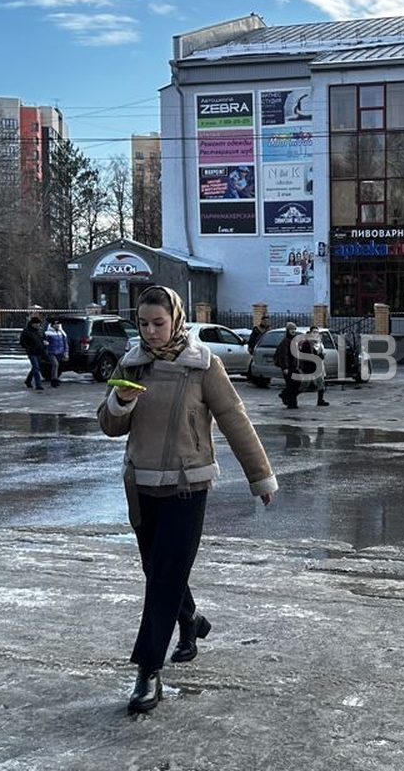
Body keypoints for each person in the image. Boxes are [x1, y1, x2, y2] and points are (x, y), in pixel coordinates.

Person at [97, 286, 277, 715]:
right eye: (143, 324)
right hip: (141, 486)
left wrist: (260, 477)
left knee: (162, 579)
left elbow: (235, 419)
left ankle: (147, 672)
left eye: (159, 323)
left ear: (176, 320)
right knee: (160, 572)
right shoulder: (132, 364)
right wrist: (119, 402)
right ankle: (191, 622)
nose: (152, 332)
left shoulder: (203, 366)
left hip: (187, 487)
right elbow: (108, 426)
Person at [272, 322, 302, 409]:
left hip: (294, 367)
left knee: (296, 384)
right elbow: (284, 355)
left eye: (294, 329)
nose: (293, 331)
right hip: (288, 368)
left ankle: (285, 396)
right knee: (291, 385)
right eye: (291, 329)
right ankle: (291, 403)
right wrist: (285, 367)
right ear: (288, 330)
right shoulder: (285, 342)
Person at [19, 316, 48, 391]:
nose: (38, 325)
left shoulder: (40, 331)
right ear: (32, 324)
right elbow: (22, 342)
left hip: (39, 351)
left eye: (39, 323)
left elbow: (43, 339)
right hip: (31, 352)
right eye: (36, 323)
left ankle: (28, 381)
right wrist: (28, 348)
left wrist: (45, 343)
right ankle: (38, 384)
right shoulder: (26, 331)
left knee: (35, 367)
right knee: (36, 367)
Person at [303, 326, 329, 407]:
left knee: (321, 384)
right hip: (310, 367)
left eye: (317, 332)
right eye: (314, 332)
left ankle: (320, 400)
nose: (315, 334)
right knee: (304, 385)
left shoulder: (318, 343)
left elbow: (320, 353)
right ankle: (290, 397)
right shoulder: (307, 343)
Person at [45, 320, 68, 387]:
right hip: (51, 352)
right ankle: (54, 380)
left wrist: (66, 352)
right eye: (55, 324)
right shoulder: (47, 333)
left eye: (58, 324)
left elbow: (65, 344)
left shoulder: (62, 333)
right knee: (55, 364)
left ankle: (55, 379)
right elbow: (44, 342)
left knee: (57, 366)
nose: (57, 325)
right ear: (52, 325)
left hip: (60, 352)